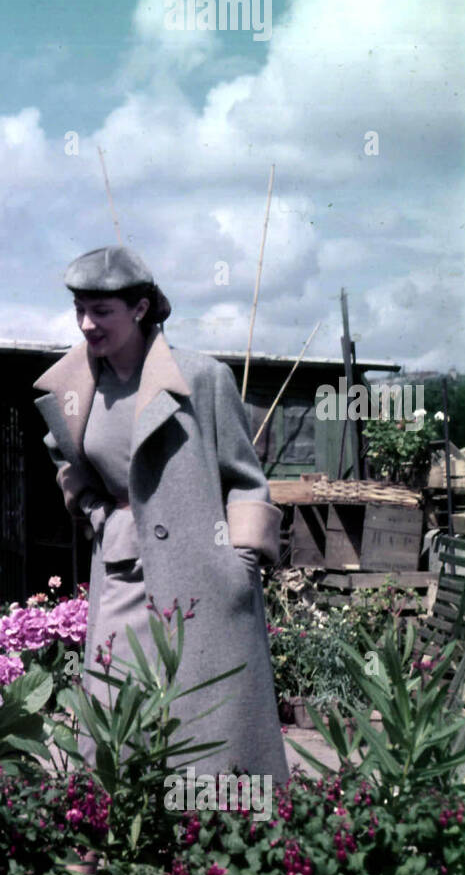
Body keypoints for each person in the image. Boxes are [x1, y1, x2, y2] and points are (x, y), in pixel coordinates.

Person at [32, 245, 289, 787]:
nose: (86, 324)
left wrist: (240, 563)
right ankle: (118, 841)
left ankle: (216, 849)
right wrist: (99, 514)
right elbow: (67, 464)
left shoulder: (204, 378)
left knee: (205, 723)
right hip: (123, 571)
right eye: (80, 309)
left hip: (205, 575)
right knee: (113, 714)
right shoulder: (74, 389)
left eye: (102, 311)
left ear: (141, 308)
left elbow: (246, 481)